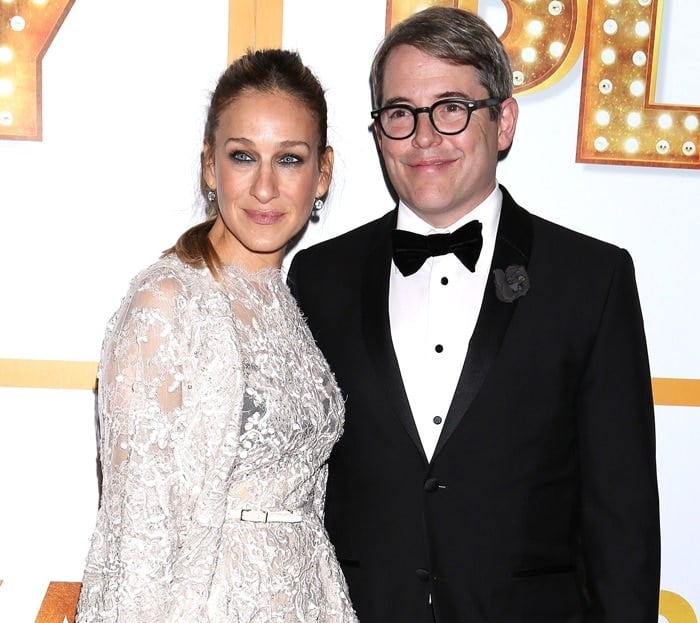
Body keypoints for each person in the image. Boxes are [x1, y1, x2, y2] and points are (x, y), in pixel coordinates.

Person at [288, 7, 660, 623]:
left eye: (452, 108)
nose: (424, 137)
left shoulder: (590, 280)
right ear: (379, 132)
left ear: (503, 121)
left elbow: (622, 518)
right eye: (401, 113)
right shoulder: (318, 279)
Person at [76, 49, 357, 623]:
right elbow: (139, 537)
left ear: (322, 173)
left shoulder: (292, 303)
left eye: (290, 159)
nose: (263, 187)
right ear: (210, 166)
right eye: (242, 156)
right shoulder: (168, 303)